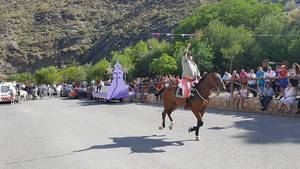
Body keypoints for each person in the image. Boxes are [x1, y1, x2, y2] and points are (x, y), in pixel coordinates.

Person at [181, 43, 200, 108]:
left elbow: (198, 72)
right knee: (188, 88)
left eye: (191, 56)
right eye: (188, 55)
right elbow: (184, 54)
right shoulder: (185, 61)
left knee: (201, 86)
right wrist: (187, 47)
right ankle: (186, 103)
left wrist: (199, 76)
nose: (190, 56)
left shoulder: (195, 64)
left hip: (194, 80)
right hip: (186, 80)